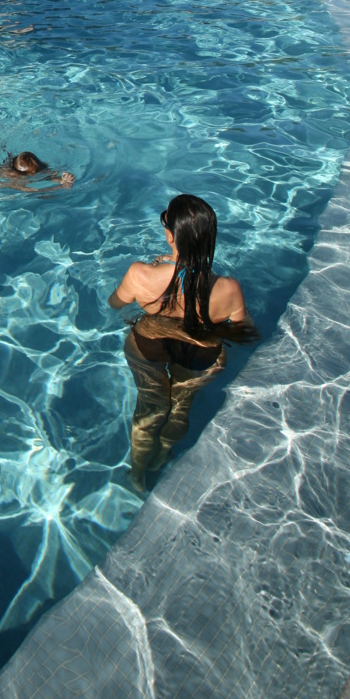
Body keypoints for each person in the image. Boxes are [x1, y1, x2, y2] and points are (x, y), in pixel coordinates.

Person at [108, 193, 254, 493]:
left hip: (149, 344)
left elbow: (115, 304)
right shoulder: (227, 288)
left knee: (150, 409)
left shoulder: (140, 274)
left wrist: (157, 269)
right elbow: (244, 330)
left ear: (170, 236)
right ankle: (160, 457)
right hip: (202, 354)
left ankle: (137, 477)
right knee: (180, 407)